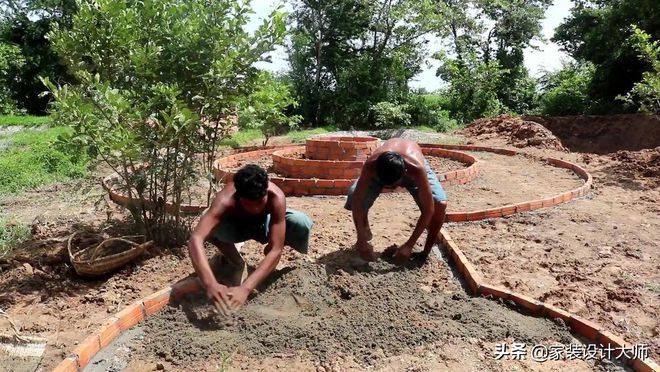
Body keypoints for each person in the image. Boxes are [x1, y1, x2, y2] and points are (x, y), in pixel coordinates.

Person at [188, 164, 313, 313]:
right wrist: (210, 284)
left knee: (300, 222)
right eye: (249, 204)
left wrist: (246, 288)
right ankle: (235, 261)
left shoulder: (276, 197)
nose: (255, 208)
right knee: (206, 222)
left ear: (266, 192)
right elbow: (196, 239)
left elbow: (276, 249)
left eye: (260, 202)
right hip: (235, 226)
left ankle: (268, 270)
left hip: (263, 226)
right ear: (239, 197)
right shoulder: (225, 200)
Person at [344, 138, 448, 264]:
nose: (392, 189)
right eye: (387, 186)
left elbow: (428, 209)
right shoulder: (372, 165)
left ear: (404, 174)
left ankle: (425, 253)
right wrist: (360, 237)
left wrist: (409, 244)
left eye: (393, 185)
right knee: (353, 193)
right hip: (386, 167)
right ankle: (364, 231)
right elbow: (358, 199)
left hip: (411, 164)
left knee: (439, 204)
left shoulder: (416, 169)